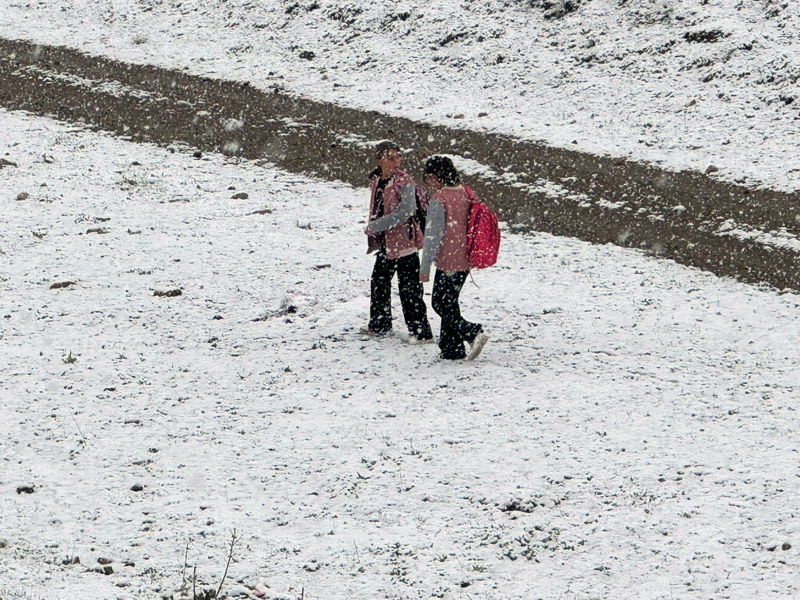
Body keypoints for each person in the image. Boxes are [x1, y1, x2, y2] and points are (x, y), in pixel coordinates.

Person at [419, 156, 488, 361]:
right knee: (450, 302)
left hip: (449, 260)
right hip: (465, 259)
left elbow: (433, 236)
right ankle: (451, 348)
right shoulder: (467, 192)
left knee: (439, 303)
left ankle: (472, 331)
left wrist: (425, 267)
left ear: (433, 177)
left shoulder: (439, 199)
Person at [363, 141, 433, 342]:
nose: (396, 161)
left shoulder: (404, 182)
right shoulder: (377, 180)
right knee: (379, 283)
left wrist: (377, 225)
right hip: (386, 244)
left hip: (405, 244)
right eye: (390, 157)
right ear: (380, 161)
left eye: (397, 156)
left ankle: (420, 332)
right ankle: (380, 324)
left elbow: (406, 211)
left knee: (409, 289)